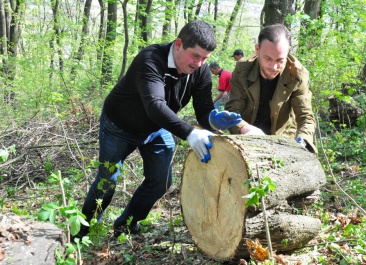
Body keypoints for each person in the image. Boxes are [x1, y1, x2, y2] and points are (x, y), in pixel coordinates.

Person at [73, 20, 242, 240]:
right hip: (119, 126)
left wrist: (214, 119)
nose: (200, 63)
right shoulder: (151, 59)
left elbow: (203, 108)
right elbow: (154, 106)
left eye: (205, 58)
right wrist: (190, 133)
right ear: (179, 44)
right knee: (108, 180)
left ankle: (125, 226)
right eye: (195, 56)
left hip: (156, 128)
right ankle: (82, 234)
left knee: (161, 181)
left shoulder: (200, 71)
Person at [225, 24, 317, 153]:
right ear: (257, 49)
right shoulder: (242, 70)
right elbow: (233, 108)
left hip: (283, 141)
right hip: (246, 139)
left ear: (288, 51)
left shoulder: (297, 75)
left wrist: (303, 140)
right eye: (268, 58)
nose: (273, 67)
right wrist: (244, 128)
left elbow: (306, 116)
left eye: (280, 60)